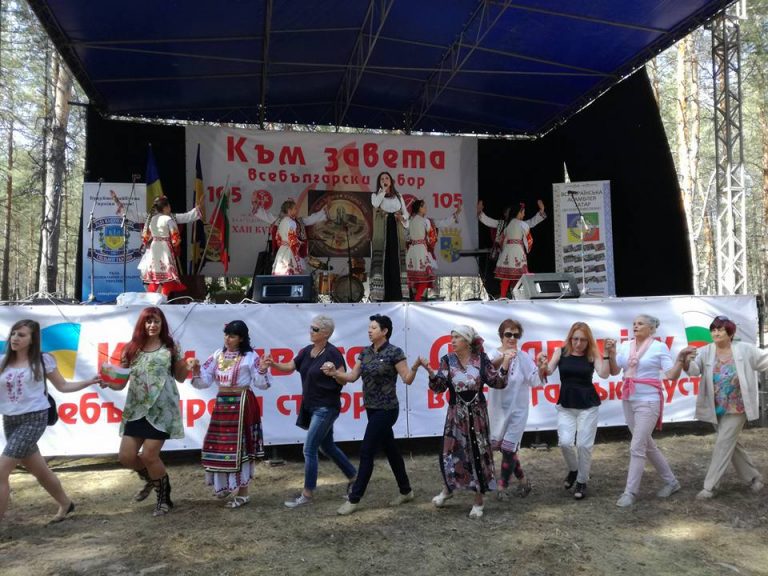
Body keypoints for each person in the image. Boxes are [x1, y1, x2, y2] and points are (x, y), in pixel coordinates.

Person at [0, 320, 101, 523]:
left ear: (32, 339)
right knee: (39, 470)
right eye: (14, 334)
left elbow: (63, 386)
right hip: (10, 420)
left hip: (34, 419)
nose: (15, 338)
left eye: (22, 335)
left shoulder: (43, 360)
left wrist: (90, 381)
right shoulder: (3, 361)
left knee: (1, 471)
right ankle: (66, 503)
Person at [323, 314, 418, 515]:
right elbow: (351, 377)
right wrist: (334, 373)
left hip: (387, 409)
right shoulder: (364, 352)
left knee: (366, 451)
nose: (369, 330)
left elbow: (407, 379)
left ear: (385, 331)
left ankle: (354, 498)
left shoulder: (394, 352)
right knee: (391, 450)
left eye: (374, 328)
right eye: (369, 327)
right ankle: (406, 490)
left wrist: (416, 366)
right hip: (371, 408)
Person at [101, 307, 188, 516]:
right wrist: (108, 382)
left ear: (162, 323)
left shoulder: (171, 347)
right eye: (148, 321)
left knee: (149, 455)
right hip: (136, 409)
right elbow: (120, 384)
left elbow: (181, 377)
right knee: (126, 457)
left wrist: (187, 365)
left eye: (156, 321)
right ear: (142, 324)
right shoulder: (130, 349)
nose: (152, 325)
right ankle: (152, 479)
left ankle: (164, 498)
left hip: (162, 410)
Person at [267, 315, 357, 508]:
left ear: (326, 333)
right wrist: (273, 364)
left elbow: (344, 379)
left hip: (326, 407)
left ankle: (307, 494)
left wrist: (334, 372)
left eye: (315, 329)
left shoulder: (332, 353)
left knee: (309, 449)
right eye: (311, 327)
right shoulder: (307, 351)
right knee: (327, 447)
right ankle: (354, 476)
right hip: (312, 406)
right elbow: (290, 366)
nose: (311, 331)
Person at [419, 325, 508, 518]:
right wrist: (431, 373)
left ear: (467, 341)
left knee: (477, 454)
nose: (452, 341)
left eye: (456, 338)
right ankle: (448, 489)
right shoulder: (447, 360)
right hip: (456, 415)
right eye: (452, 337)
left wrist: (506, 364)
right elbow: (439, 387)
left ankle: (478, 500)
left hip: (477, 415)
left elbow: (497, 382)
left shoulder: (481, 359)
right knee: (450, 452)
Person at [608, 314, 694, 507]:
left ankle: (630, 492)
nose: (635, 326)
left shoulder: (659, 347)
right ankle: (672, 482)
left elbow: (671, 375)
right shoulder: (625, 345)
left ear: (651, 329)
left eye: (640, 324)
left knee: (637, 446)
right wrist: (611, 354)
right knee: (646, 445)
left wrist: (680, 360)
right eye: (634, 323)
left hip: (649, 401)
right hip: (628, 399)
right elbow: (614, 371)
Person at [683, 315, 767, 499]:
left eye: (720, 329)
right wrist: (686, 361)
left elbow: (765, 360)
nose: (716, 333)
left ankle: (710, 486)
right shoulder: (705, 351)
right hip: (716, 407)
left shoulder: (745, 349)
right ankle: (754, 478)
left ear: (730, 333)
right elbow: (694, 371)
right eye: (713, 330)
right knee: (730, 443)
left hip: (738, 407)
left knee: (723, 443)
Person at [189, 320, 271, 508]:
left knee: (240, 448)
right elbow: (204, 381)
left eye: (232, 336)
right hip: (223, 405)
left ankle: (243, 493)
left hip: (242, 403)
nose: (227, 338)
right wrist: (196, 369)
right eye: (226, 334)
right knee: (221, 446)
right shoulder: (218, 355)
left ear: (241, 338)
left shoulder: (250, 356)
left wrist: (262, 368)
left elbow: (261, 383)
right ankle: (225, 486)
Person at [538, 322, 613, 500]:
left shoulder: (592, 354)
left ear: (589, 341)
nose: (579, 343)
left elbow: (604, 374)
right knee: (564, 442)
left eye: (583, 340)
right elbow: (548, 371)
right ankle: (574, 470)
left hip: (588, 405)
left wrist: (606, 354)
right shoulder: (561, 352)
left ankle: (581, 481)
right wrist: (542, 363)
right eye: (575, 339)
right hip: (566, 405)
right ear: (570, 337)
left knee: (584, 446)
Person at [487, 319, 540, 500]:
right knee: (503, 448)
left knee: (509, 449)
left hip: (518, 410)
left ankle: (502, 487)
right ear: (501, 336)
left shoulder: (523, 357)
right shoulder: (492, 354)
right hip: (497, 410)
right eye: (508, 334)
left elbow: (535, 380)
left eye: (516, 335)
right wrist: (504, 358)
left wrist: (542, 368)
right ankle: (523, 481)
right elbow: (487, 374)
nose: (512, 338)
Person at [477, 199, 546, 298]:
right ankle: (509, 296)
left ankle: (509, 296)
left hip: (507, 253)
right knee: (514, 275)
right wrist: (480, 213)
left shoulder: (514, 225)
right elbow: (489, 221)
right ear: (505, 214)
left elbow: (532, 222)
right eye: (508, 212)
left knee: (509, 276)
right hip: (514, 252)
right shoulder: (503, 224)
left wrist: (541, 211)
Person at [137, 196, 201, 296]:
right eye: (169, 205)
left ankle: (153, 297)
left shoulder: (151, 218)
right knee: (166, 274)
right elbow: (175, 236)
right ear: (166, 207)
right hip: (164, 247)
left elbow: (146, 236)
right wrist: (175, 243)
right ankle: (163, 297)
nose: (170, 208)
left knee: (156, 275)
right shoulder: (168, 218)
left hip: (154, 247)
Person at [405, 199, 461, 301]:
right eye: (423, 206)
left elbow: (406, 237)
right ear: (419, 208)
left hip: (411, 251)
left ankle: (415, 299)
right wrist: (455, 215)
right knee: (425, 277)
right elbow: (439, 227)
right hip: (422, 250)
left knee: (415, 277)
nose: (426, 208)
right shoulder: (426, 221)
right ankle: (417, 299)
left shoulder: (409, 221)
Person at [254, 198, 327, 275]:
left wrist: (323, 211)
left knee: (290, 272)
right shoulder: (282, 221)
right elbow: (268, 217)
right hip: (291, 250)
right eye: (295, 208)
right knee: (291, 272)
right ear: (289, 210)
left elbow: (311, 219)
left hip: (291, 251)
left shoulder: (298, 221)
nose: (296, 210)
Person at [370, 172, 409, 302]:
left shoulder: (399, 196)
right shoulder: (375, 195)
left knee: (395, 259)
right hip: (383, 230)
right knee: (384, 259)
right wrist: (383, 190)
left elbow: (406, 214)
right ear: (379, 182)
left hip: (396, 229)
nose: (384, 180)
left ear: (391, 181)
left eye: (387, 178)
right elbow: (375, 204)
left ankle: (398, 294)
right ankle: (382, 295)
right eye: (382, 179)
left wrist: (402, 217)